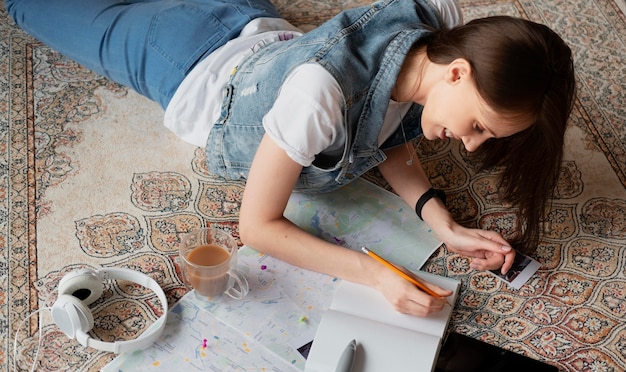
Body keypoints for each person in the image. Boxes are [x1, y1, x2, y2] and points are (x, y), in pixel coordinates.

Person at [6, 0, 576, 317]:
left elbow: (387, 130)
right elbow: (256, 226)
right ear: (458, 71)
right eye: (477, 125)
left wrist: (440, 219)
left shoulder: (444, 30)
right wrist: (375, 274)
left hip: (253, 19)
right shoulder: (318, 94)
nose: (472, 144)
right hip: (181, 58)